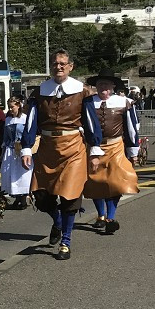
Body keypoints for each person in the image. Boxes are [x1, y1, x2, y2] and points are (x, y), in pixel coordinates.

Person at [20, 49, 102, 261]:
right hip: (47, 146)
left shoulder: (82, 91)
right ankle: (56, 221)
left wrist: (94, 150)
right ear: (51, 66)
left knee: (70, 195)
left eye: (63, 63)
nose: (59, 66)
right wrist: (27, 148)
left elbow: (91, 122)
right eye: (55, 63)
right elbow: (31, 121)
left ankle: (66, 241)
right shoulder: (40, 92)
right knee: (41, 195)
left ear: (71, 66)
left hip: (73, 146)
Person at [83, 73, 140, 234]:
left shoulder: (124, 102)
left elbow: (131, 127)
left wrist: (133, 151)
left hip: (116, 146)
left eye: (107, 85)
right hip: (93, 147)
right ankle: (101, 215)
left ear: (113, 87)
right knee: (95, 181)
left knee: (116, 182)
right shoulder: (87, 102)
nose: (103, 88)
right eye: (100, 84)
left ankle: (111, 217)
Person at [0, 96, 32, 209]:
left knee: (21, 174)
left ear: (18, 106)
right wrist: (3, 151)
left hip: (22, 149)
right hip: (10, 149)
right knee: (11, 174)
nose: (10, 109)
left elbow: (28, 135)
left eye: (12, 107)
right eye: (9, 107)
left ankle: (22, 199)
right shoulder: (8, 119)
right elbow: (5, 137)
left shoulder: (25, 118)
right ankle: (17, 197)